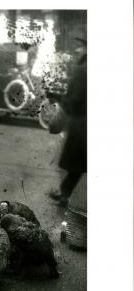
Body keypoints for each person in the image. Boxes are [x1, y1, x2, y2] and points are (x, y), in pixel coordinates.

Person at [49, 34, 87, 207]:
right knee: (78, 164)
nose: (77, 49)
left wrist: (62, 111)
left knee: (78, 161)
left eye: (81, 46)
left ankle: (66, 195)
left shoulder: (83, 69)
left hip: (82, 124)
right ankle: (64, 193)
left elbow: (73, 98)